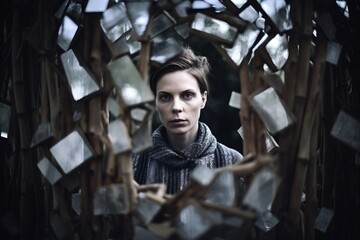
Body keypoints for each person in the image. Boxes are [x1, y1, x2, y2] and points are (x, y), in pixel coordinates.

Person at [132, 46, 243, 194]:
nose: (176, 107)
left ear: (203, 100)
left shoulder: (232, 162)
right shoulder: (134, 163)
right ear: (156, 102)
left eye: (187, 95)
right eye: (165, 97)